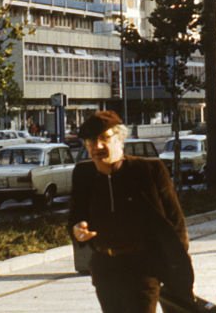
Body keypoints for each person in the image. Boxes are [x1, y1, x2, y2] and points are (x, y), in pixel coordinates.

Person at [69, 110, 193, 313]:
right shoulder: (83, 175)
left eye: (104, 139)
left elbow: (175, 222)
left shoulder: (148, 171)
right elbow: (76, 216)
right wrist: (77, 230)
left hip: (143, 268)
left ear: (120, 140)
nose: (97, 146)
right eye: (91, 142)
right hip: (105, 269)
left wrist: (178, 270)